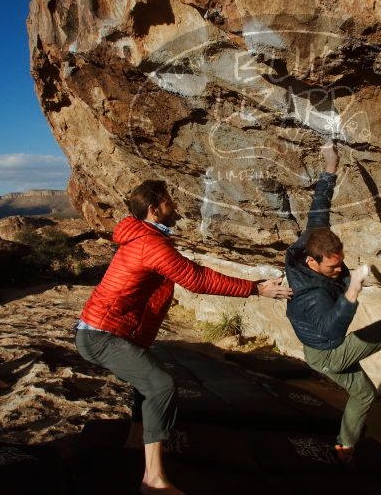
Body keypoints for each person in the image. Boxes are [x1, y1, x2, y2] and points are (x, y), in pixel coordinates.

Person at [75, 179, 292, 495]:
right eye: (168, 201)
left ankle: (137, 439)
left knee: (145, 381)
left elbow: (186, 272)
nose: (173, 206)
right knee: (161, 385)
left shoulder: (144, 237)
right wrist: (255, 288)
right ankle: (153, 480)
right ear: (154, 209)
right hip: (102, 334)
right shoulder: (150, 244)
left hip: (107, 330)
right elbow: (197, 279)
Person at [285, 142, 381, 463]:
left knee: (362, 394)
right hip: (328, 348)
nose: (337, 270)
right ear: (312, 264)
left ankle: (344, 447)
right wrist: (353, 288)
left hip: (317, 350)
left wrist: (329, 167)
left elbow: (319, 206)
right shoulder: (312, 293)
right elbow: (334, 329)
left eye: (339, 264)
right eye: (332, 267)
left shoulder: (312, 241)